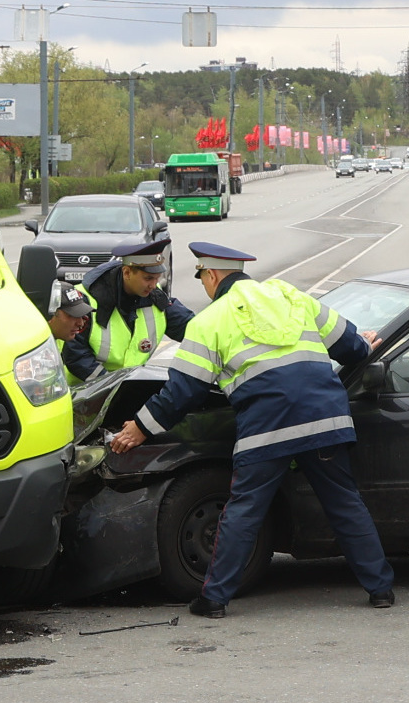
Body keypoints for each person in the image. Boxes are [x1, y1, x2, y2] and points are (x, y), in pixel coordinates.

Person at [107, 240, 393, 616]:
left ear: (211, 276)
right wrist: (363, 344)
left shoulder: (209, 320)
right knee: (344, 503)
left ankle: (214, 599)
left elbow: (183, 391)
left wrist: (139, 428)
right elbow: (351, 348)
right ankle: (381, 589)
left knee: (244, 509)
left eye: (203, 280)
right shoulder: (290, 294)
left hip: (268, 428)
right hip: (325, 418)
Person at [60, 247, 193, 382]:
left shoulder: (155, 297)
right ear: (127, 272)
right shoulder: (83, 301)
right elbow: (76, 356)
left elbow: (193, 329)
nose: (153, 285)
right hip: (84, 393)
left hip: (126, 389)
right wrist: (110, 385)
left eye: (157, 279)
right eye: (148, 278)